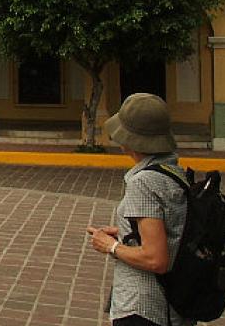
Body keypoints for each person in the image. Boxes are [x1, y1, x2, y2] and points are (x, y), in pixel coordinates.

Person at [87, 93, 192, 326]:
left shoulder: (144, 182)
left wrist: (111, 246)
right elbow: (171, 228)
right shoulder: (172, 171)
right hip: (171, 307)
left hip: (144, 307)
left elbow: (156, 259)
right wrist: (125, 231)